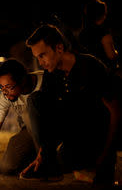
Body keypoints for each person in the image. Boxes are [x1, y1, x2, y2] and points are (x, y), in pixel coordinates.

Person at [21, 24, 120, 184]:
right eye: (37, 57)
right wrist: (42, 156)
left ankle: (79, 165)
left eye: (43, 55)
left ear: (59, 48)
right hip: (73, 137)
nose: (40, 63)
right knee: (35, 100)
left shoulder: (90, 66)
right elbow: (48, 116)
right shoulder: (51, 73)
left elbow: (115, 112)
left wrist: (105, 157)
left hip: (96, 138)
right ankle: (51, 163)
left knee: (86, 169)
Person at [0, 59, 42, 174]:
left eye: (9, 87)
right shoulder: (6, 95)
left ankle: (45, 158)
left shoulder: (44, 82)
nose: (5, 92)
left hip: (51, 129)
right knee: (7, 167)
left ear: (22, 80)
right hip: (29, 132)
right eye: (2, 87)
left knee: (31, 107)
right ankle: (33, 157)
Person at [79, 0, 120, 73]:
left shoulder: (82, 33)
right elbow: (111, 55)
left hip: (89, 71)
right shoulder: (103, 33)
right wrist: (116, 53)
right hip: (104, 72)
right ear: (103, 14)